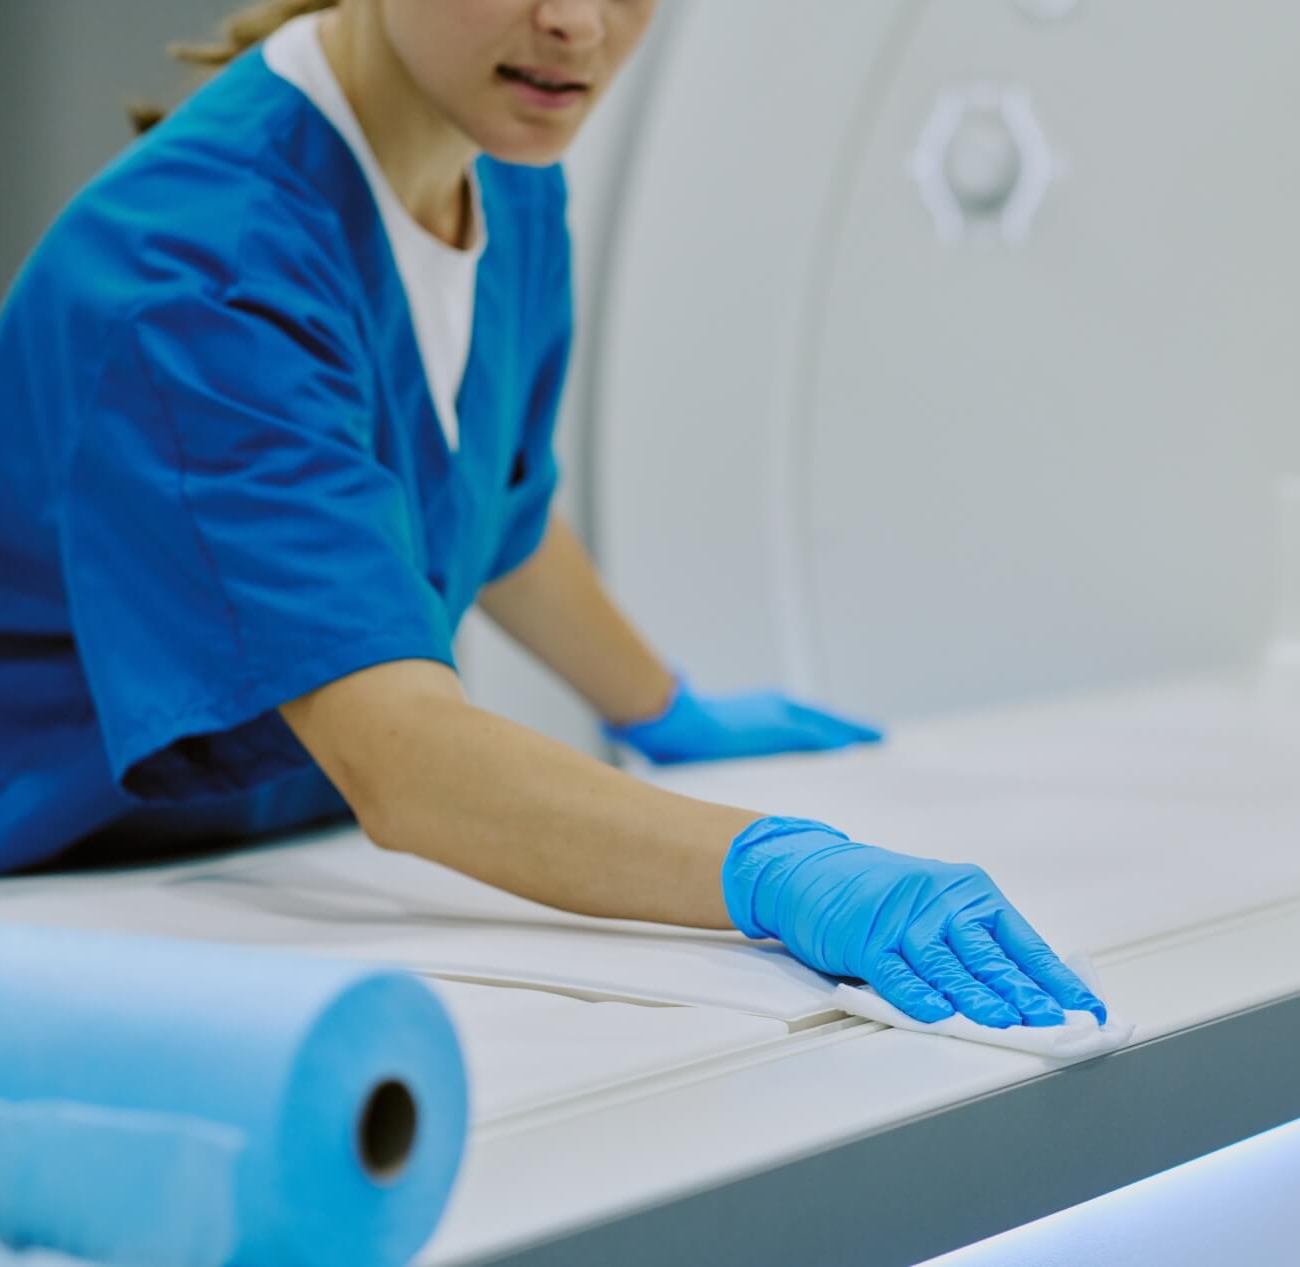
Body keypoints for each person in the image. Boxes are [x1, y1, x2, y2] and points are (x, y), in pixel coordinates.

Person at [0, 0, 1104, 1029]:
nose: (577, 22)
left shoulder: (498, 161)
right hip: (65, 896)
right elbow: (408, 767)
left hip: (268, 864)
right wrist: (772, 870)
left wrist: (663, 706)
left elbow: (484, 500)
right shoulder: (197, 276)